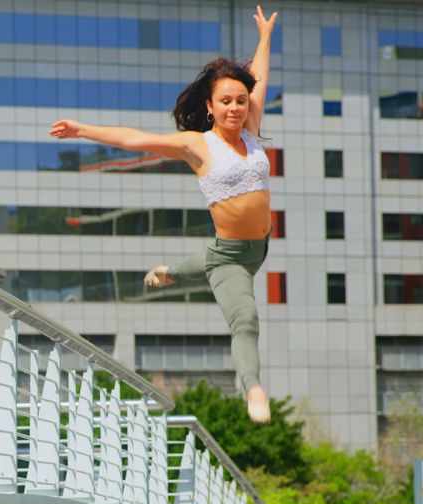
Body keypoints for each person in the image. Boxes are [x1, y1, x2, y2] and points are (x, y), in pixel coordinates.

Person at [48, 6, 279, 423]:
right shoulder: (198, 145)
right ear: (210, 107)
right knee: (244, 317)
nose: (235, 108)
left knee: (208, 263)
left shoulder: (252, 127)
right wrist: (84, 130)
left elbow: (259, 77)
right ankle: (254, 390)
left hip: (260, 246)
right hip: (230, 255)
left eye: (240, 101)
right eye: (225, 102)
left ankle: (170, 272)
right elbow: (137, 139)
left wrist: (264, 37)